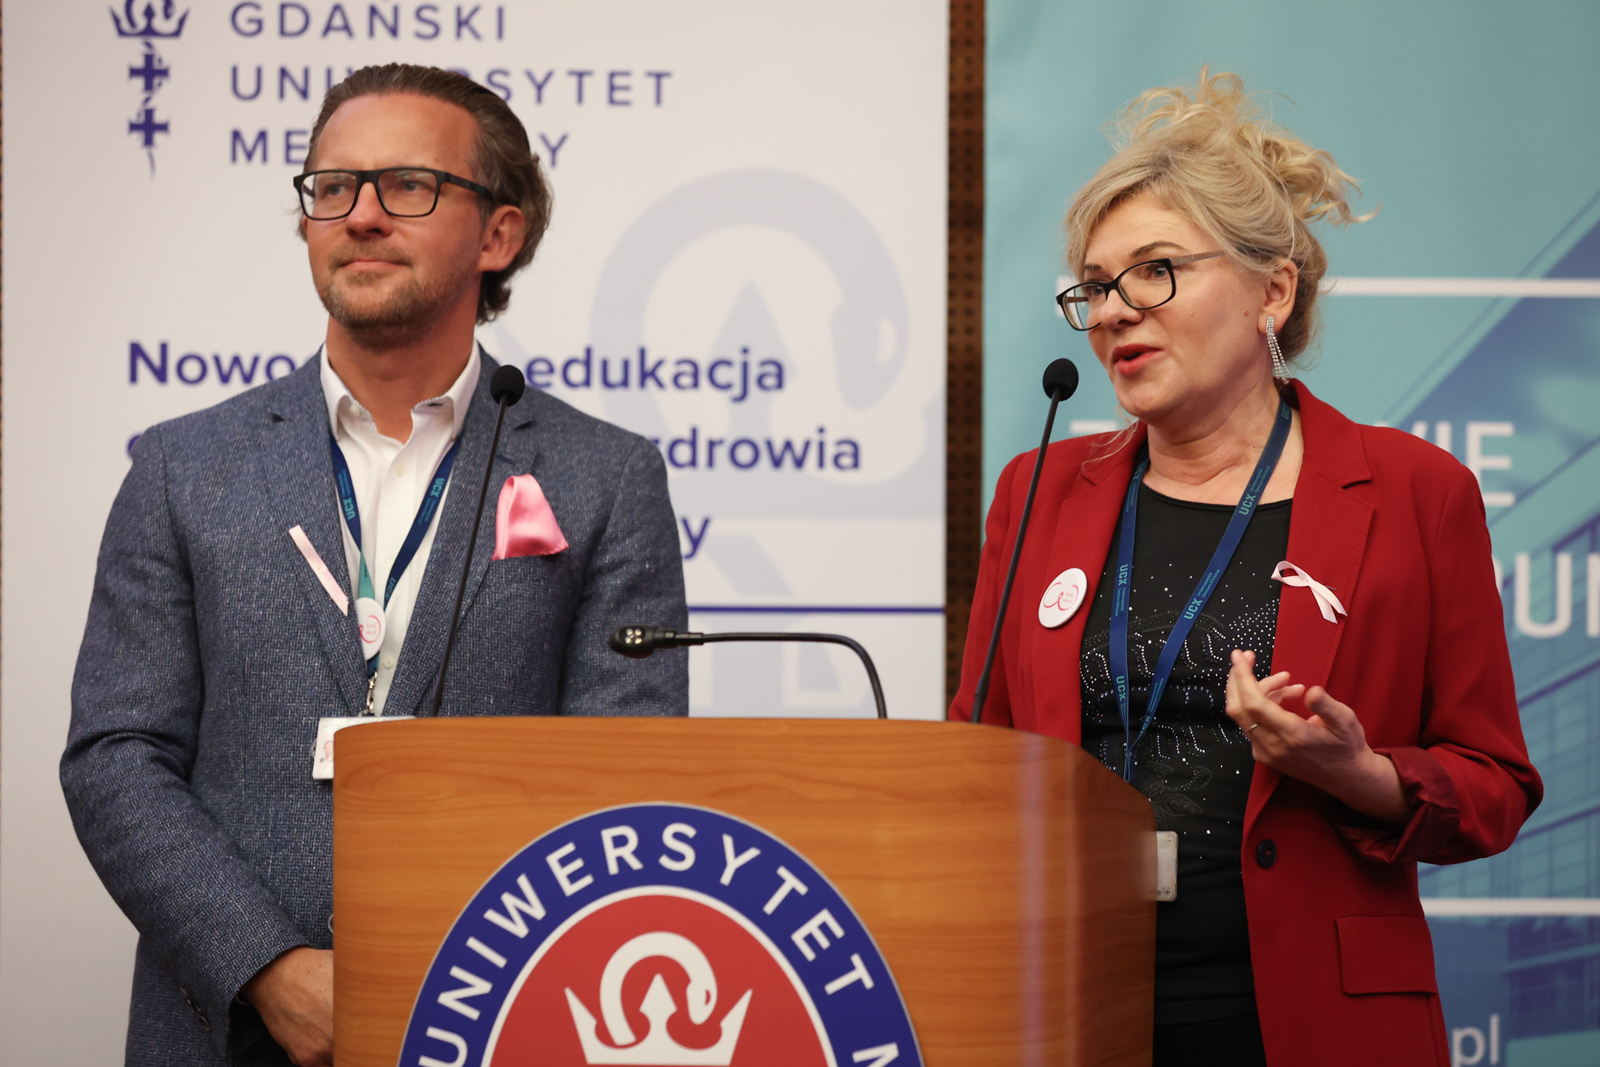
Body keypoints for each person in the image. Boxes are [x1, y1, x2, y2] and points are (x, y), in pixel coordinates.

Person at [61, 64, 687, 1067]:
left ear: (498, 234)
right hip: (227, 1030)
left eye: (408, 185)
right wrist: (268, 967)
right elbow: (116, 755)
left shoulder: (605, 477)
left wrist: (468, 971)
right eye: (333, 187)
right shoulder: (183, 467)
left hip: (498, 1016)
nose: (359, 215)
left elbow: (626, 774)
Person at [950, 70, 1540, 1067]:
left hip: (1307, 1023)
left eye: (1154, 272)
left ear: (1272, 290)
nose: (1114, 311)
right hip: (1066, 1010)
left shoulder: (1414, 492)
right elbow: (978, 757)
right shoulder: (1036, 490)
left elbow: (1495, 786)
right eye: (1095, 286)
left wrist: (1359, 773)